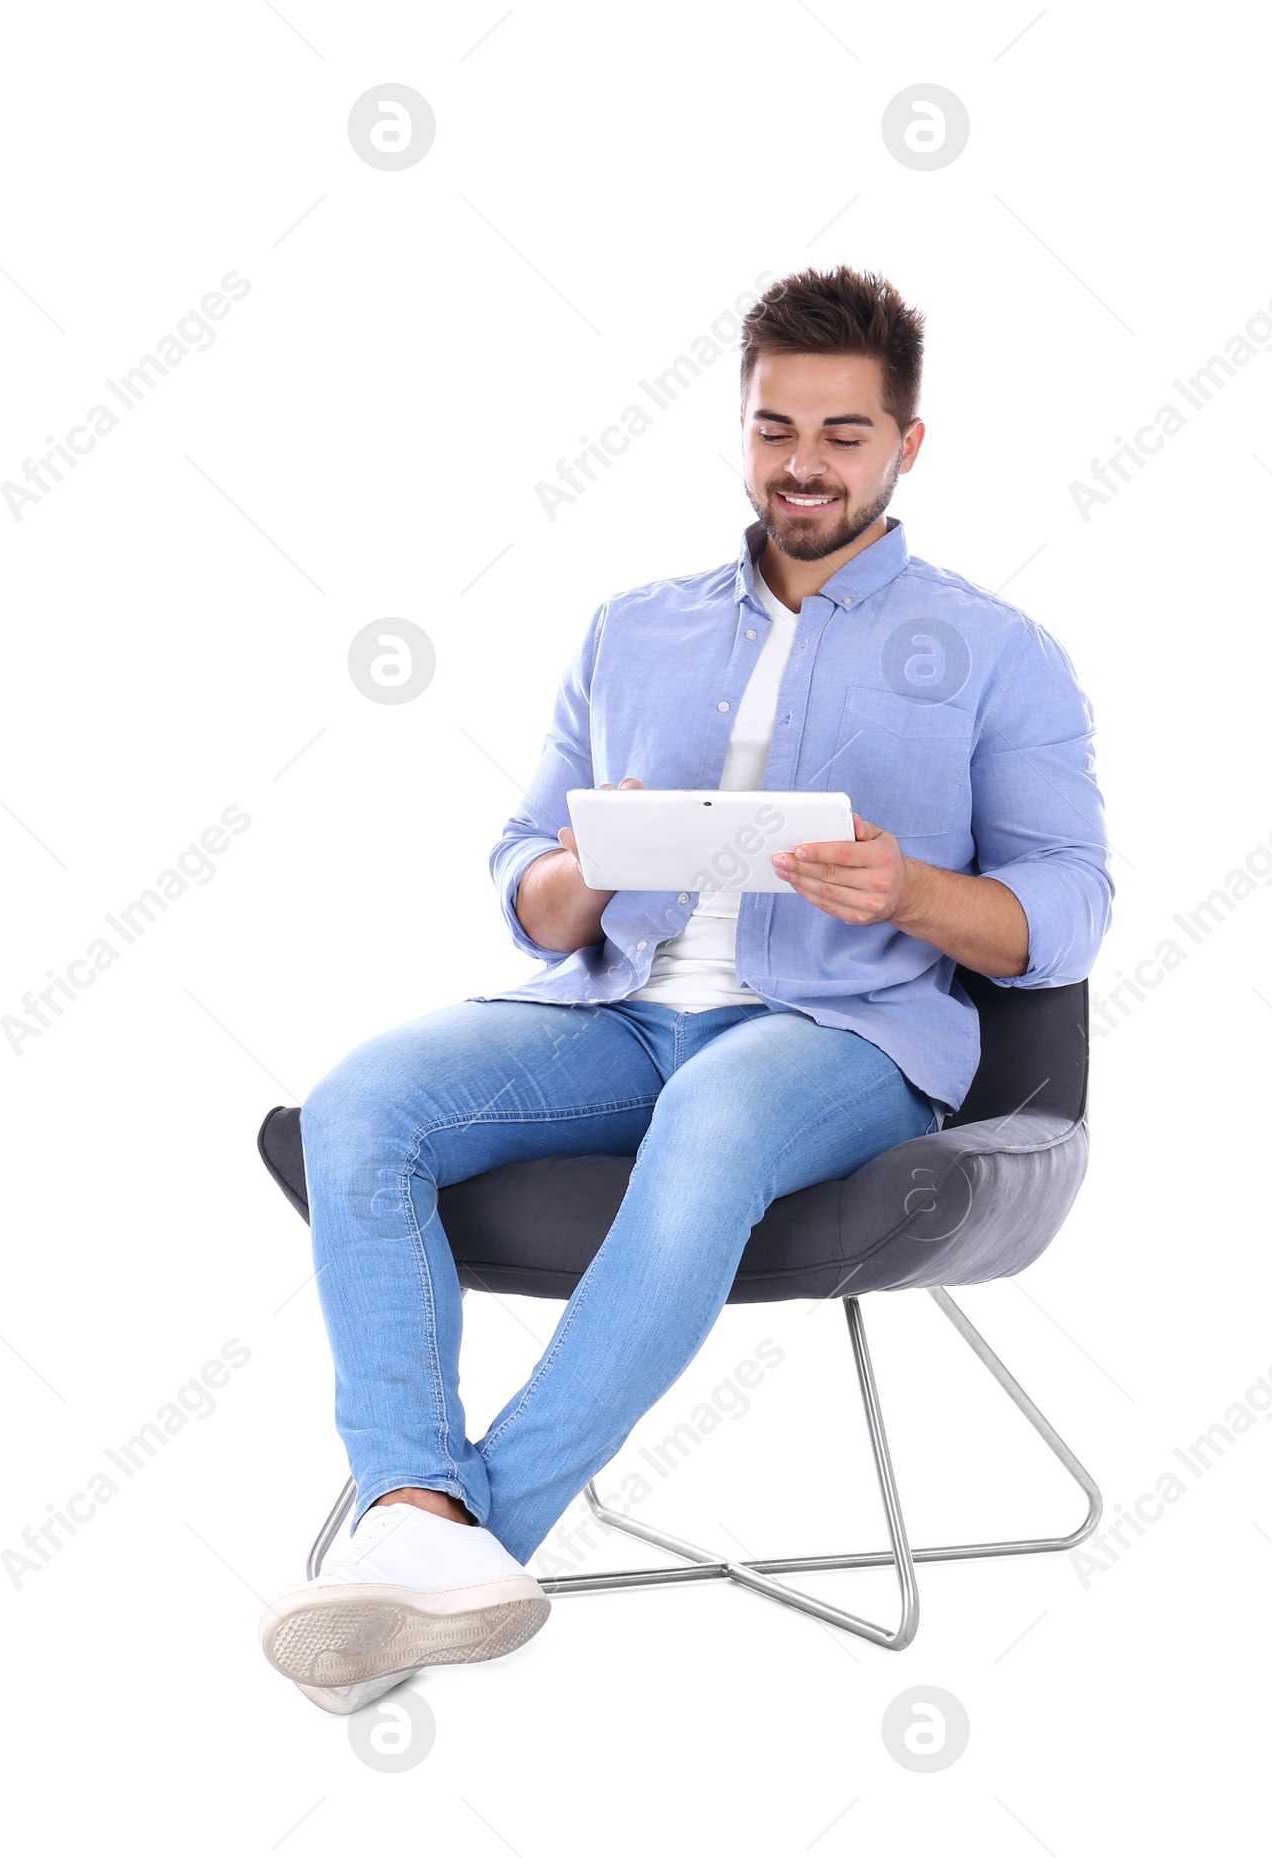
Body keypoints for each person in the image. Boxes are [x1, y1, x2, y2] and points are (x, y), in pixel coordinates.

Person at [257, 264, 1113, 1713]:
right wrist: (587, 866)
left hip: (843, 1036)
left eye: (845, 435)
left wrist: (905, 890)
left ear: (910, 444)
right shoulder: (630, 630)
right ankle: (415, 1505)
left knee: (714, 1115)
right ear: (742, 426)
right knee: (364, 1099)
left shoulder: (998, 653)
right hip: (623, 1013)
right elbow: (528, 884)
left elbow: (1072, 911)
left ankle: (458, 1547)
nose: (804, 464)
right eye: (776, 427)